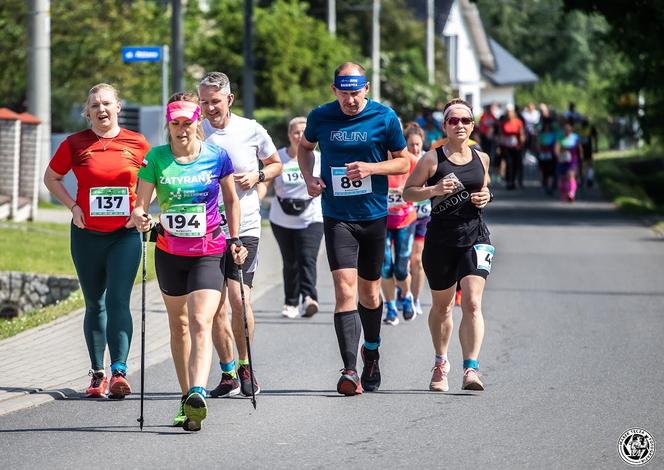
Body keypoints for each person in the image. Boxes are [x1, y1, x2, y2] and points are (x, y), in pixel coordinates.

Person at [131, 92, 247, 431]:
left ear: (198, 124)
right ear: (169, 125)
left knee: (200, 320)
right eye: (176, 124)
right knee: (179, 326)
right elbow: (141, 204)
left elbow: (231, 199)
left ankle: (198, 392)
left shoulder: (216, 156)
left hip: (209, 250)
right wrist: (141, 218)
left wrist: (235, 238)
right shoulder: (156, 158)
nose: (182, 130)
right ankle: (186, 399)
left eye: (188, 123)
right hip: (169, 252)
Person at [298, 62, 410, 395]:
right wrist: (309, 177)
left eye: (356, 93)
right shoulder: (320, 116)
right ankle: (349, 370)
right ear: (334, 91)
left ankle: (371, 352)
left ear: (367, 88)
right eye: (344, 93)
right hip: (337, 215)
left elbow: (403, 160)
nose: (351, 100)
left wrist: (372, 168)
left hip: (374, 215)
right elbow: (305, 148)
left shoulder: (384, 117)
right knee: (345, 290)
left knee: (370, 293)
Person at [44, 83, 150, 400]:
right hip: (86, 235)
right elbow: (51, 178)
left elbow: (152, 178)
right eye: (94, 106)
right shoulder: (75, 143)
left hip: (124, 235)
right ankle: (97, 373)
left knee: (118, 300)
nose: (101, 109)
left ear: (118, 106)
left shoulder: (137, 142)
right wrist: (72, 207)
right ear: (87, 112)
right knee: (95, 303)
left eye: (106, 103)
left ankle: (119, 371)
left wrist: (140, 208)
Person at [198, 72, 282, 398]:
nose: (209, 108)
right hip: (205, 228)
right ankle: (228, 372)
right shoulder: (195, 132)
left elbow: (275, 164)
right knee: (215, 307)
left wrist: (258, 174)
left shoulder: (251, 129)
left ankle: (246, 365)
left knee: (239, 298)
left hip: (244, 226)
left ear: (229, 100)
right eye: (204, 102)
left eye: (215, 101)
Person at [403, 98, 493, 392]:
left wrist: (486, 197)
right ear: (444, 126)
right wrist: (434, 189)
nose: (460, 125)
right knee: (442, 308)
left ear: (472, 125)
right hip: (441, 240)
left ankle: (471, 369)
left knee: (473, 302)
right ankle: (441, 363)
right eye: (453, 121)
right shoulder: (431, 159)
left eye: (465, 121)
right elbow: (409, 193)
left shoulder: (482, 158)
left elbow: (485, 186)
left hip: (476, 236)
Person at [265, 116, 324, 319]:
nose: (300, 136)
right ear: (289, 135)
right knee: (290, 261)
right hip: (282, 218)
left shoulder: (319, 158)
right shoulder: (278, 157)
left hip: (312, 217)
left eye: (304, 133)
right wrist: (255, 198)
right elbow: (266, 183)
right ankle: (290, 302)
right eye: (296, 132)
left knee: (307, 258)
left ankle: (309, 298)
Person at [381, 130, 419, 325]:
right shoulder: (376, 160)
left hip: (405, 220)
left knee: (401, 269)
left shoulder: (411, 160)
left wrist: (408, 191)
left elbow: (424, 183)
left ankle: (407, 296)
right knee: (385, 267)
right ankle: (390, 306)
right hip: (381, 222)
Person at [404, 124, 429, 317]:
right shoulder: (402, 161)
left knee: (417, 261)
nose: (415, 149)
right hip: (403, 218)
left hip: (423, 216)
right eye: (411, 145)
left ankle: (415, 298)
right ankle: (402, 292)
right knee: (403, 262)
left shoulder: (429, 160)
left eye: (418, 144)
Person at [498, 104, 525, 190]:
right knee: (509, 164)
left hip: (517, 146)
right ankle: (509, 182)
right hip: (507, 146)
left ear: (513, 113)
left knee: (517, 164)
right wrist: (500, 146)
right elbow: (501, 135)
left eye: (511, 113)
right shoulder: (504, 123)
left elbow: (521, 134)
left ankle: (516, 180)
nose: (509, 114)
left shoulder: (518, 122)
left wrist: (521, 144)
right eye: (508, 113)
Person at [556, 121, 583, 203]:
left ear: (571, 131)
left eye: (568, 130)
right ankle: (563, 193)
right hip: (563, 160)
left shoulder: (575, 137)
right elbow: (556, 148)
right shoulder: (560, 137)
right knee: (563, 178)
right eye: (565, 130)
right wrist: (558, 156)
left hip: (573, 160)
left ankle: (571, 193)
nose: (567, 132)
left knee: (571, 176)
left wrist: (581, 156)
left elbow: (579, 147)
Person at [536, 118, 558, 195]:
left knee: (551, 172)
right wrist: (539, 151)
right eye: (546, 126)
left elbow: (556, 145)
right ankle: (544, 184)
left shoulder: (553, 135)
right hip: (543, 155)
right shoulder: (541, 135)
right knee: (543, 171)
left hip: (551, 155)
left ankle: (549, 186)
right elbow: (538, 145)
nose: (547, 127)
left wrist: (556, 153)